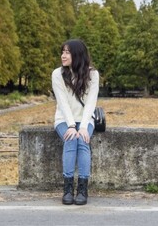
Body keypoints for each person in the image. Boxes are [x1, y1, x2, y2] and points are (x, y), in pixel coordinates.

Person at [52, 39, 100, 205]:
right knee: (71, 138)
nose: (63, 55)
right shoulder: (57, 74)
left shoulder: (93, 75)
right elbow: (63, 103)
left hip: (85, 119)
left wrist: (84, 127)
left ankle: (82, 189)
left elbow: (91, 103)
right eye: (62, 52)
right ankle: (67, 189)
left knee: (83, 141)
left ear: (77, 55)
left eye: (67, 52)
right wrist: (72, 125)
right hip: (63, 119)